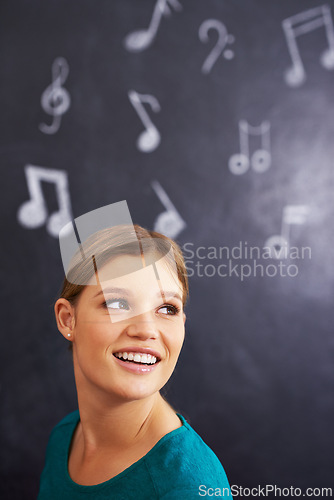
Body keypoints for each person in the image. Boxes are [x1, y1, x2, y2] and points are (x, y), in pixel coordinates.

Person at [38, 223, 232, 499]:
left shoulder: (188, 487)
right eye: (117, 303)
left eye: (167, 309)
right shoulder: (64, 437)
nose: (146, 330)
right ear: (68, 319)